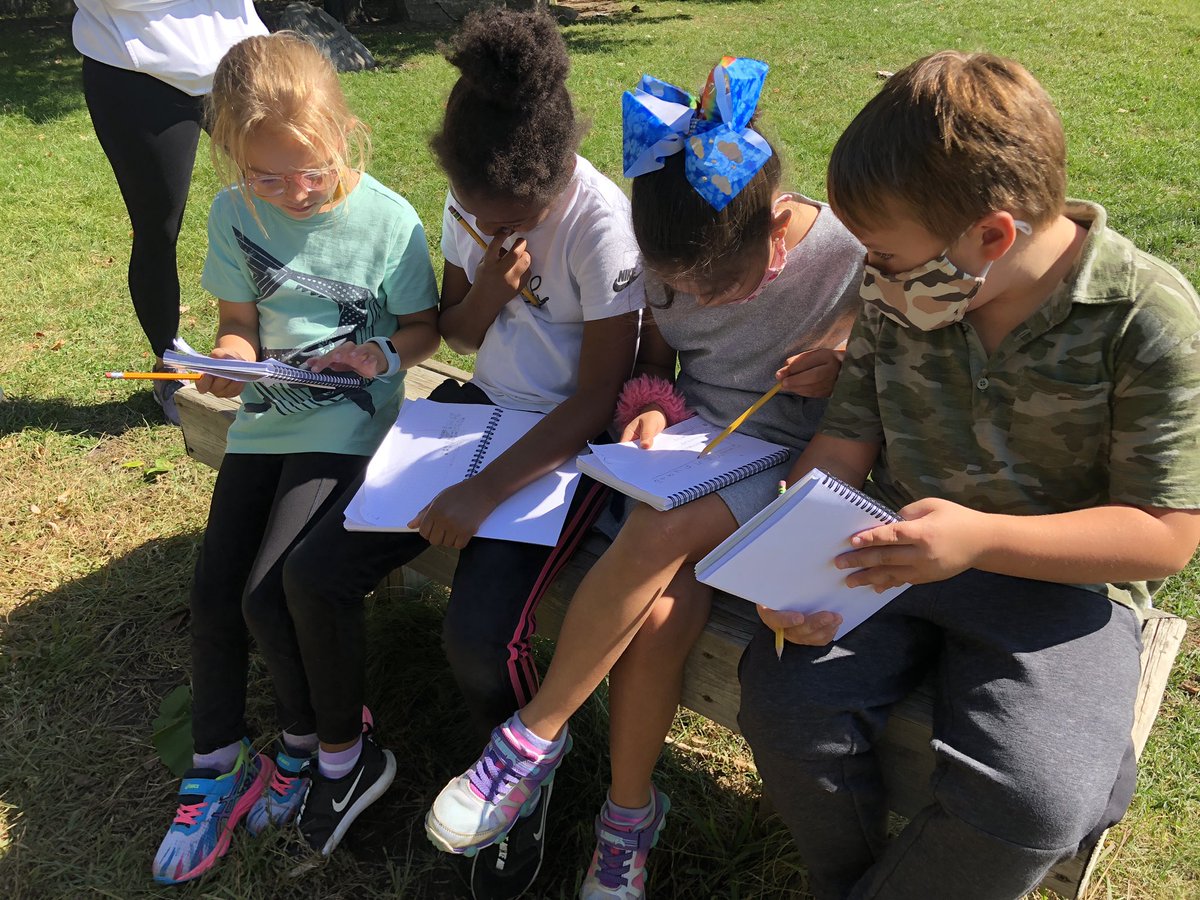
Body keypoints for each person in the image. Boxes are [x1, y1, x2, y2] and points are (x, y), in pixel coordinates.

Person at [736, 51, 1200, 900]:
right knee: (783, 707)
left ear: (990, 236)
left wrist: (981, 538)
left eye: (884, 256)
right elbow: (843, 445)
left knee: (1037, 796)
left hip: (1065, 587)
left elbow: (1164, 536)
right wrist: (786, 565)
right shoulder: (901, 293)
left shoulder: (1145, 317)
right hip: (893, 548)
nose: (868, 275)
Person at [425, 58, 865, 900]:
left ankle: (530, 739)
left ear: (778, 232)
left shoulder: (845, 258)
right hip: (692, 446)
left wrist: (843, 361)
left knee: (659, 531)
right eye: (677, 287)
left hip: (783, 462)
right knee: (662, 612)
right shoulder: (665, 242)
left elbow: (876, 402)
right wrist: (655, 407)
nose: (693, 298)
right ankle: (629, 820)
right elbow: (657, 362)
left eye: (716, 287)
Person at [281, 9, 642, 897]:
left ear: (549, 180)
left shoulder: (601, 224)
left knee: (481, 639)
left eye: (504, 214)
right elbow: (463, 336)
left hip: (566, 441)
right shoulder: (471, 190)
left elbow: (599, 396)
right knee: (315, 570)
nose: (481, 220)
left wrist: (483, 495)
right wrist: (486, 281)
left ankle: (518, 779)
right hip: (479, 411)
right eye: (471, 209)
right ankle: (346, 757)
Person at [151, 33, 440, 885]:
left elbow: (422, 329)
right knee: (214, 593)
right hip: (268, 419)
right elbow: (237, 318)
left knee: (269, 593)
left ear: (343, 130)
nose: (291, 192)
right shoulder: (235, 211)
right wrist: (229, 363)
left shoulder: (387, 219)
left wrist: (377, 357)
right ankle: (214, 762)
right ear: (230, 157)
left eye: (308, 171)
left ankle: (307, 743)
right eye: (266, 176)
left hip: (346, 422)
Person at [72, 0, 267, 424]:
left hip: (240, 57)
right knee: (158, 228)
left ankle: (292, 348)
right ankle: (169, 364)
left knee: (293, 197)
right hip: (132, 66)